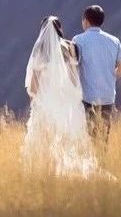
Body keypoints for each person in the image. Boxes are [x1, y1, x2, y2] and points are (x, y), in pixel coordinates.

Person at [22, 16, 98, 177]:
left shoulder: (39, 51)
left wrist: (36, 99)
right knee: (66, 138)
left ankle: (45, 173)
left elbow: (34, 85)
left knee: (45, 140)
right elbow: (73, 78)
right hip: (65, 102)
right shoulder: (69, 47)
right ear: (60, 29)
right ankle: (66, 173)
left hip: (46, 103)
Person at [72, 5, 121, 145]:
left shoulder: (78, 40)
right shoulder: (114, 41)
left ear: (86, 21)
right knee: (102, 140)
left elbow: (73, 67)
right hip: (107, 97)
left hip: (87, 98)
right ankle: (102, 165)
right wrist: (110, 77)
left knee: (87, 141)